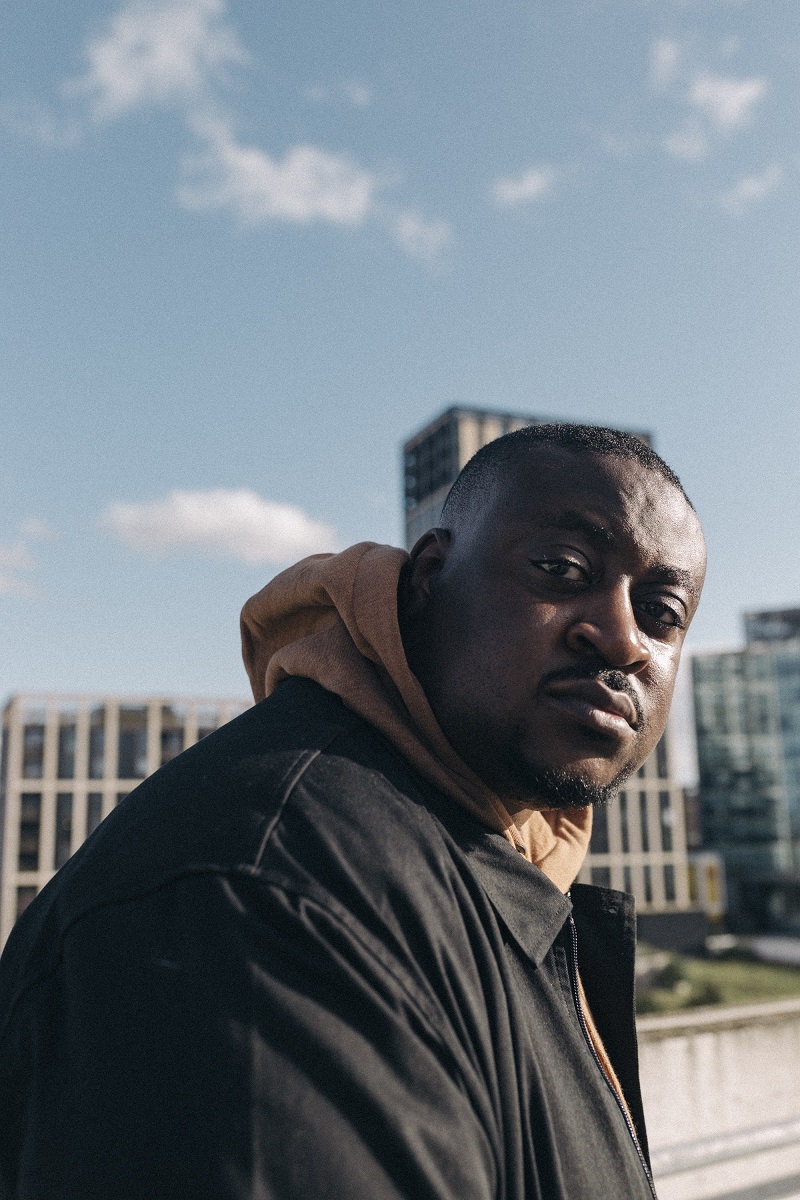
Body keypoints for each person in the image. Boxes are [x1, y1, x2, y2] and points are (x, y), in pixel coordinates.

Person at [0, 424, 706, 1200]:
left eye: (663, 612)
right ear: (432, 576)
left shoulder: (496, 868)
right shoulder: (267, 891)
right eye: (561, 569)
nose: (622, 636)